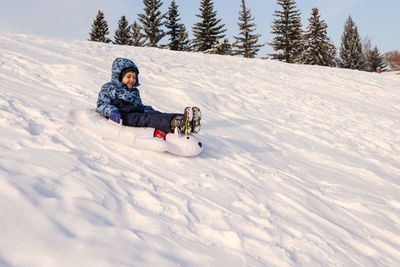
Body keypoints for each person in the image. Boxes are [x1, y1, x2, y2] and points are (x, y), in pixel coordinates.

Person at [96, 57, 186, 140]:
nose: (132, 80)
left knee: (155, 114)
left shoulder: (134, 91)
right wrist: (112, 110)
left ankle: (183, 118)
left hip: (136, 113)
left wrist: (145, 108)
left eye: (134, 77)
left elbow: (138, 106)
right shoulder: (109, 87)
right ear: (119, 76)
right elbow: (101, 104)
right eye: (128, 76)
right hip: (123, 116)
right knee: (147, 119)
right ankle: (175, 123)